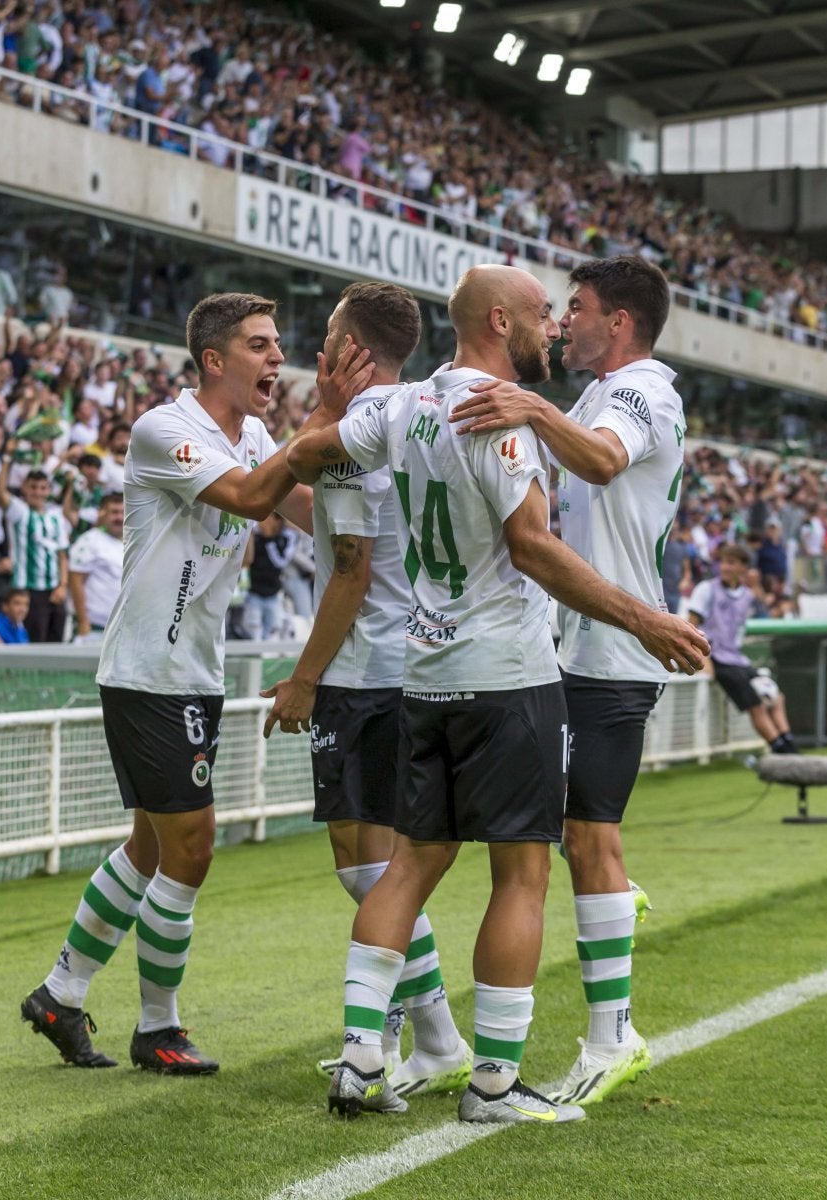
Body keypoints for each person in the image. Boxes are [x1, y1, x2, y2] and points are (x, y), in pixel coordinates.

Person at [286, 264, 708, 1125]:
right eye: (548, 313)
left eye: (570, 311)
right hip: (512, 672)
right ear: (499, 318)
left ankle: (363, 1056)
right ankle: (497, 1083)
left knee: (409, 863)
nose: (555, 325)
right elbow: (531, 546)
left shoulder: (402, 408)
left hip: (424, 674)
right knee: (523, 873)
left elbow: (310, 454)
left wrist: (268, 459)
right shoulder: (502, 418)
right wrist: (646, 619)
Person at [20, 293, 330, 1076]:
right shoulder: (165, 428)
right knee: (192, 850)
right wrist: (322, 423)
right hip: (149, 671)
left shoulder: (255, 432)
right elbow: (251, 498)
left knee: (151, 847)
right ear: (214, 360)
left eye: (278, 345)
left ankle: (60, 994)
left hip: (192, 669)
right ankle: (157, 1026)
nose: (276, 359)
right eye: (259, 346)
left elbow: (304, 511)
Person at [444, 254, 685, 1106]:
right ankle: (615, 897)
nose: (562, 322)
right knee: (570, 839)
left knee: (585, 840)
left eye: (575, 308)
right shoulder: (593, 394)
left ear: (617, 321)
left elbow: (605, 463)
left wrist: (531, 406)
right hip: (571, 649)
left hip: (608, 655)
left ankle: (612, 1039)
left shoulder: (636, 392)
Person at [260, 282, 470, 1100]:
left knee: (369, 869)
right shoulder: (411, 413)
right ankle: (424, 1035)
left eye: (327, 336)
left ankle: (422, 1037)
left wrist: (305, 680)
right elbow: (332, 515)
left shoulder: (353, 433)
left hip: (364, 671)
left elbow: (351, 570)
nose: (314, 349)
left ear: (350, 349)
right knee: (371, 863)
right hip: (406, 662)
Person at [688, 544, 800, 754]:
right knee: (756, 704)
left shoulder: (747, 596)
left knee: (776, 697)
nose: (725, 567)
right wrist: (702, 658)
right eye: (723, 562)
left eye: (731, 563)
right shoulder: (706, 590)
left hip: (737, 658)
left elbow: (759, 619)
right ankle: (782, 750)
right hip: (716, 658)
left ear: (743, 567)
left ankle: (789, 742)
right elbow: (691, 624)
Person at [4, 470, 71, 643]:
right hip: (28, 590)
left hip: (54, 589)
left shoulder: (56, 518)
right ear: (24, 488)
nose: (38, 492)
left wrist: (63, 585)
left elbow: (62, 555)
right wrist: (6, 459)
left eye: (42, 488)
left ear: (49, 490)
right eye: (33, 487)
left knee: (57, 641)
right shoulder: (19, 511)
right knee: (35, 641)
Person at [66, 492, 123, 644]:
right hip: (93, 629)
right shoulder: (90, 540)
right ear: (102, 514)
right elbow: (75, 580)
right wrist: (83, 622)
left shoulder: (130, 544)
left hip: (120, 631)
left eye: (123, 512)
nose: (119, 517)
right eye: (114, 512)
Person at [246, 512, 293, 639]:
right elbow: (247, 560)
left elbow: (280, 562)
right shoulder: (253, 536)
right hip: (253, 592)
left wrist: (269, 540)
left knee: (273, 632)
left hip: (273, 594)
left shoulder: (285, 538)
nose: (263, 521)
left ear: (277, 520)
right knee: (253, 633)